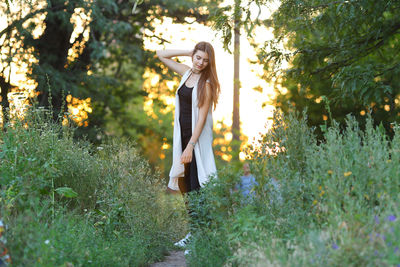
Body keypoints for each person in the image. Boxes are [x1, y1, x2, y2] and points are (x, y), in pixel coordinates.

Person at [156, 42, 220, 252]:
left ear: (210, 63)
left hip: (195, 142)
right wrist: (188, 52)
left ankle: (201, 237)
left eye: (205, 60)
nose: (201, 63)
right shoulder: (186, 74)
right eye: (198, 58)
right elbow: (161, 54)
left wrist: (190, 146)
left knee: (196, 185)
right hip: (181, 138)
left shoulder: (207, 83)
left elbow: (201, 119)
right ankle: (195, 233)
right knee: (185, 186)